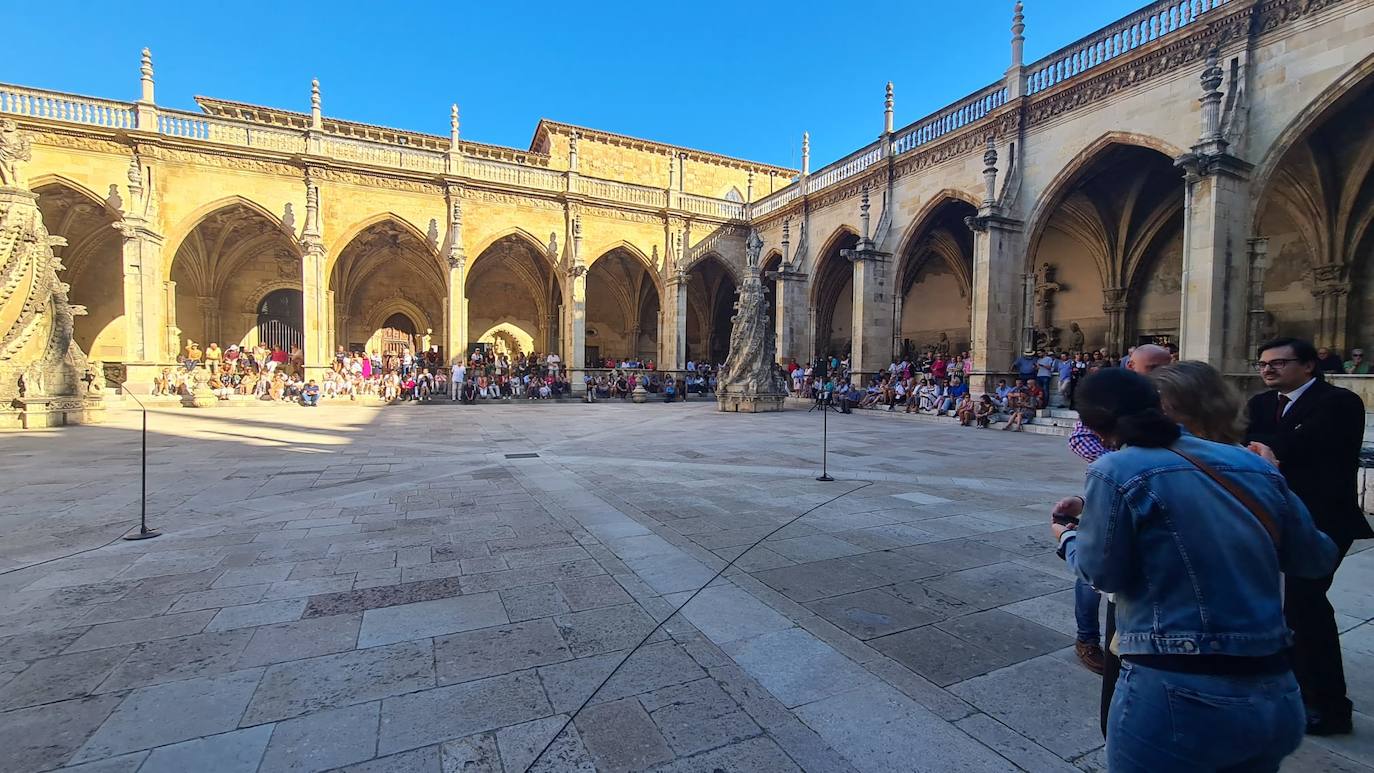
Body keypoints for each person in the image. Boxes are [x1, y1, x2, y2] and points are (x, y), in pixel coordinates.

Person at [1054, 367, 1337, 771]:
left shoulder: (1116, 468)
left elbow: (1103, 575)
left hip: (1180, 689)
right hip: (1274, 687)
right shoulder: (1251, 463)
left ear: (1095, 426)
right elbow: (1315, 558)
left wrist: (1067, 538)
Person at [1246, 338, 1373, 735]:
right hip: (1274, 517)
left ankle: (1329, 705)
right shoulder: (1262, 404)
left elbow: (1303, 446)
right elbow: (1244, 444)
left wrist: (1265, 450)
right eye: (1263, 364)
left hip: (1323, 519)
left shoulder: (1339, 402)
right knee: (1283, 606)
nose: (1267, 370)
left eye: (1278, 363)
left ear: (1307, 366)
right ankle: (1290, 684)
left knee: (1306, 603)